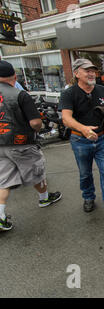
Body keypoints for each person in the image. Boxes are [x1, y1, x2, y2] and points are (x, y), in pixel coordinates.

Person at [60, 58, 104, 220]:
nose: (91, 73)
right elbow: (66, 119)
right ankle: (88, 197)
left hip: (103, 139)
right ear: (76, 73)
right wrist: (84, 129)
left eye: (93, 70)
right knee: (85, 174)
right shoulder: (69, 93)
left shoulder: (102, 90)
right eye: (87, 70)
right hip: (80, 141)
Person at [0, 61, 62, 231]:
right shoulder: (20, 94)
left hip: (0, 146)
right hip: (21, 143)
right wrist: (38, 128)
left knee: (4, 180)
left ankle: (0, 216)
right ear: (14, 76)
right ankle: (44, 198)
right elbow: (35, 122)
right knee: (36, 171)